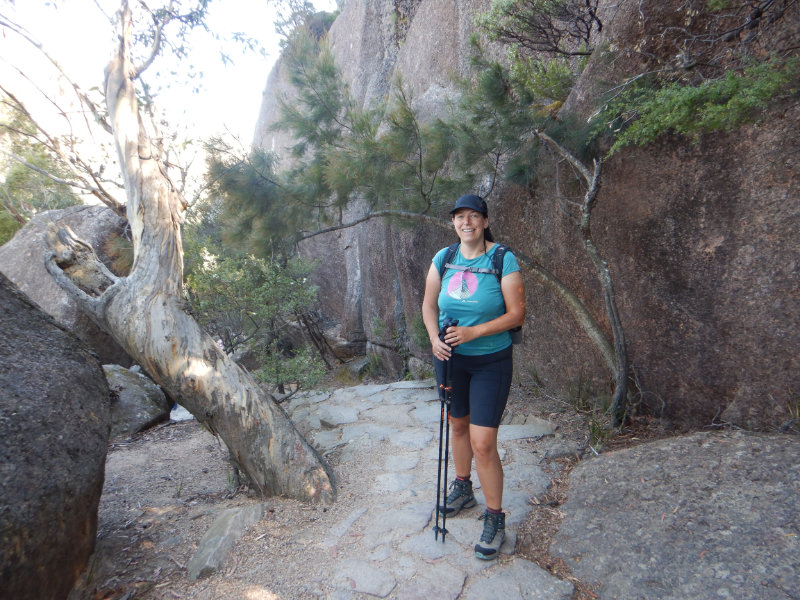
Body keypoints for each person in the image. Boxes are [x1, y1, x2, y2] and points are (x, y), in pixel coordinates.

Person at [421, 193, 526, 560]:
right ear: (453, 223)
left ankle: (495, 517)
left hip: (490, 362)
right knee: (459, 426)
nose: (466, 223)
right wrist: (434, 339)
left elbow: (516, 315)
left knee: (483, 442)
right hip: (450, 360)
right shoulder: (444, 258)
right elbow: (428, 305)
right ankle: (463, 488)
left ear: (484, 221)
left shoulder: (502, 259)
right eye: (459, 217)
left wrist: (473, 333)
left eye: (473, 217)